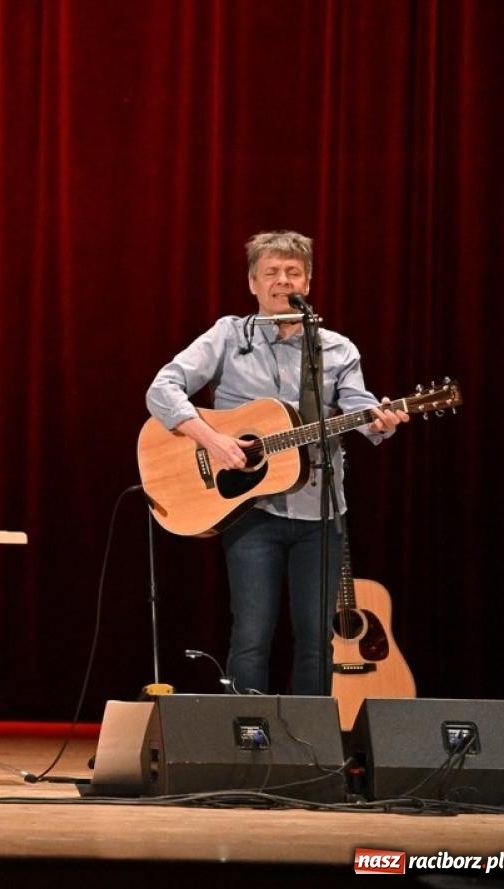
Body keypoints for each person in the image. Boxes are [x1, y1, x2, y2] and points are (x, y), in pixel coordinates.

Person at [145, 231, 408, 695]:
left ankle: (312, 753)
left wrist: (382, 421)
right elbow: (161, 389)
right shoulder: (228, 335)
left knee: (316, 642)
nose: (282, 280)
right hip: (253, 514)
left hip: (320, 515)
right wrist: (215, 440)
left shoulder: (337, 348)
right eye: (271, 272)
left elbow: (361, 413)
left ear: (308, 280)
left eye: (293, 272)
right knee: (250, 638)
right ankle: (246, 748)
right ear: (253, 282)